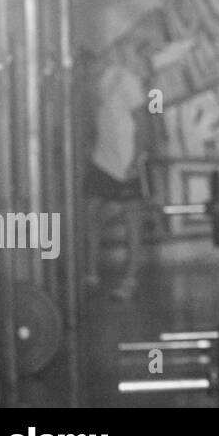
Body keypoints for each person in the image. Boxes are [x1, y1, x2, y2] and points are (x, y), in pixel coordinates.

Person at [83, 52, 151, 302]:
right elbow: (95, 122)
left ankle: (130, 279)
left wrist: (137, 158)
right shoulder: (94, 85)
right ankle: (91, 274)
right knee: (90, 212)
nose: (87, 72)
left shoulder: (126, 80)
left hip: (125, 160)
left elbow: (143, 120)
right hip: (102, 159)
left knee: (132, 219)